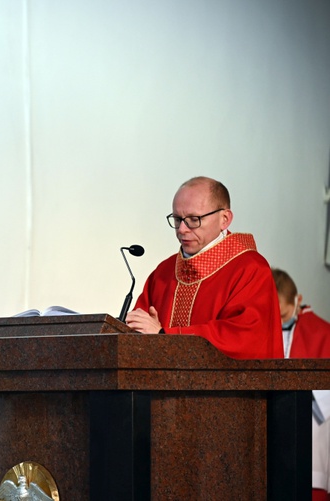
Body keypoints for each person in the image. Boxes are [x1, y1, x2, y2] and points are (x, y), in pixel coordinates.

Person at [125, 176, 282, 359]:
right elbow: (136, 329)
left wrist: (164, 336)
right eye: (177, 219)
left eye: (193, 219)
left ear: (224, 219)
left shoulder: (250, 269)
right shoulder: (163, 272)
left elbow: (245, 337)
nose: (182, 229)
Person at [272, 268, 330, 501]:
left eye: (285, 315)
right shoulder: (261, 328)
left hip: (313, 425)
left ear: (298, 301)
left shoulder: (321, 332)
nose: (281, 322)